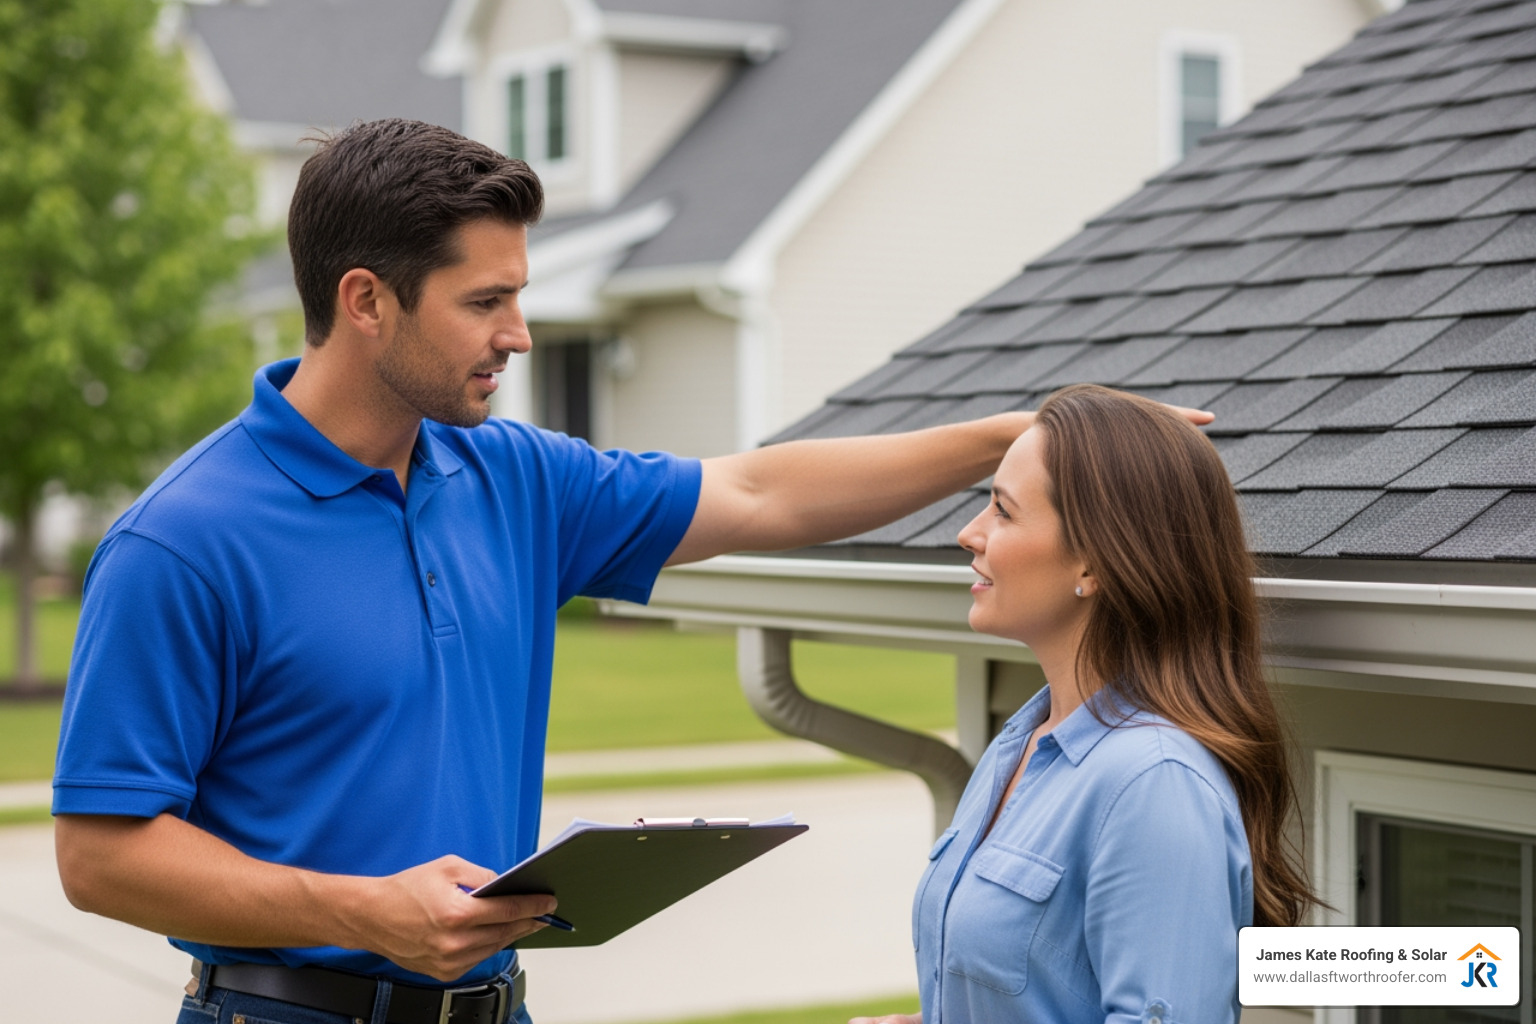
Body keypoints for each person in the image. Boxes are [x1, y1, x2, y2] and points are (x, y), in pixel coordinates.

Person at [49, 118, 1153, 1024]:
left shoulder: (514, 481)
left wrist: (1034, 434)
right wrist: (359, 909)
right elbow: (99, 855)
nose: (520, 335)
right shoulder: (182, 542)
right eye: (485, 302)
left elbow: (761, 493)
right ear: (366, 300)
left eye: (519, 296)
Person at [854, 384, 1318, 1024]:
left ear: (1094, 563)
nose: (969, 533)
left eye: (1003, 511)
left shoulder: (1154, 784)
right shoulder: (1020, 744)